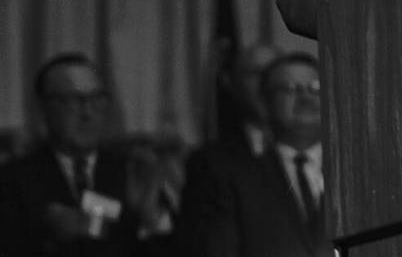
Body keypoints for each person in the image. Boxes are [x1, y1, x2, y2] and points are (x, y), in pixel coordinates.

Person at [0, 53, 173, 256]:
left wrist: (150, 217)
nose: (88, 113)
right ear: (43, 108)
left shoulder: (132, 171)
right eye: (73, 101)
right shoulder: (13, 179)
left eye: (97, 99)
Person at [192, 52, 327, 257]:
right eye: (290, 88)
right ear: (265, 103)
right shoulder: (233, 177)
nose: (305, 97)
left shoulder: (356, 171)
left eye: (315, 87)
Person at [176, 43, 282, 251]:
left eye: (274, 71)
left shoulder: (327, 152)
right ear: (230, 82)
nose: (266, 82)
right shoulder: (208, 163)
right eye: (255, 73)